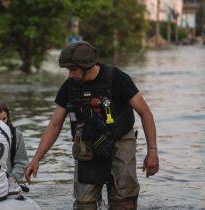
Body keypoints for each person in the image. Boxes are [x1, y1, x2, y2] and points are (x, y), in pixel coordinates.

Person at [25, 41, 159, 209]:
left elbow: (145, 113)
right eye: (68, 70)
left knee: (124, 201)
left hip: (121, 141)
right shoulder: (69, 86)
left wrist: (152, 151)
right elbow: (54, 125)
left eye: (73, 70)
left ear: (87, 66)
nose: (70, 75)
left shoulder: (117, 78)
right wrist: (36, 159)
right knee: (84, 203)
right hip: (86, 146)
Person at [0, 101, 28, 185]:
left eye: (4, 119)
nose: (2, 123)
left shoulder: (17, 135)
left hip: (9, 181)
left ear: (8, 117)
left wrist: (12, 179)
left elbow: (21, 162)